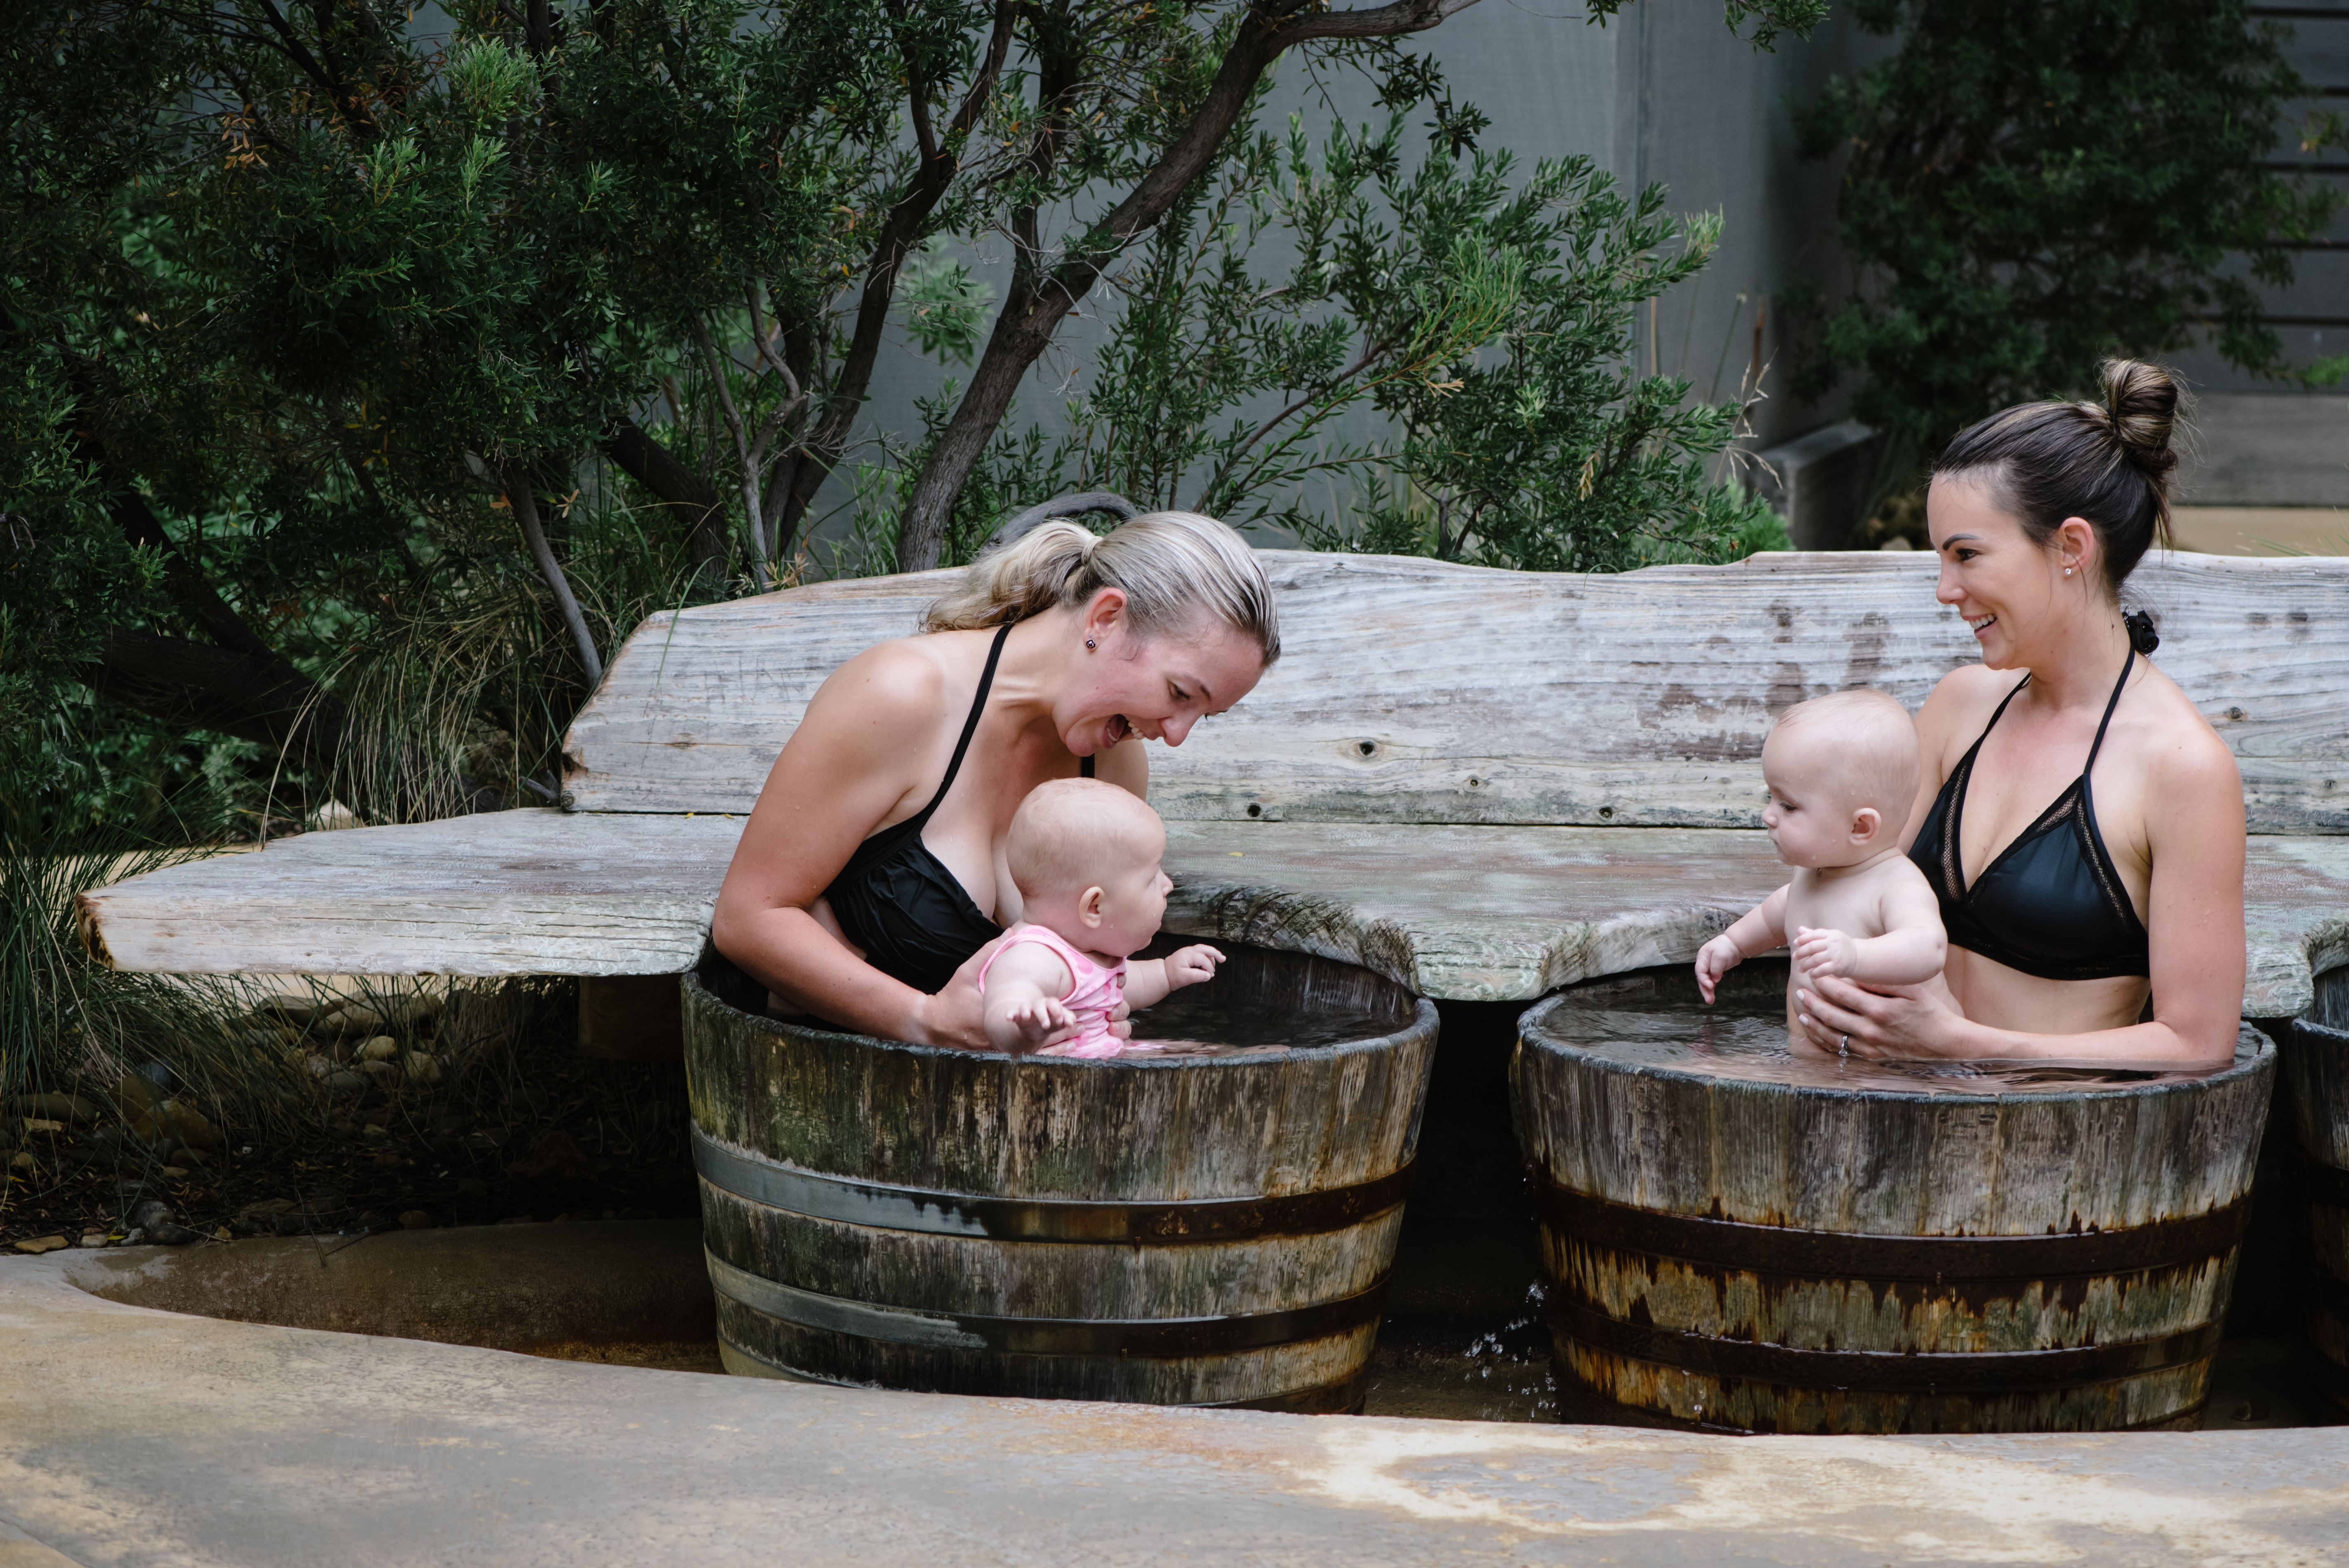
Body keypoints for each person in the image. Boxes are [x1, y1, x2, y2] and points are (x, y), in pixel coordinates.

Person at [1793, 360, 2246, 1065]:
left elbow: (2198, 1041)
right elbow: (1848, 874)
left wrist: (1961, 1043)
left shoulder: (2181, 768)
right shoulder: (1960, 707)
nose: (1946, 589)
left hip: (2053, 1146)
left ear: (2071, 547)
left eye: (1967, 555)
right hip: (1894, 1108)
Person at [710, 511, 1278, 1051]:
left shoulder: (1112, 764)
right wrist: (923, 1020)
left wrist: (1095, 1010)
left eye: (1204, 715)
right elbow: (749, 918)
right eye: (1180, 693)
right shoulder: (900, 694)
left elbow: (1093, 950)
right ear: (1105, 618)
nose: (1176, 734)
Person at [1694, 690, 1947, 1043]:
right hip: (1821, 1065)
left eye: (1789, 806)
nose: (1768, 815)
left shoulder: (1896, 885)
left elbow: (1928, 948)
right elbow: (1778, 913)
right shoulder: (1813, 875)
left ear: (1859, 827)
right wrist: (1734, 944)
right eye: (1771, 798)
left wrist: (1855, 955)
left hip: (1905, 1068)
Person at [978, 778, 1225, 1055]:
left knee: (1206, 1052)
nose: (1168, 885)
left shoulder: (1090, 951)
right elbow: (1002, 1009)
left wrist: (1168, 973)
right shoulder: (1035, 957)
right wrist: (1025, 1028)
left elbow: (1131, 983)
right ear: (1094, 908)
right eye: (1152, 878)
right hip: (1064, 1084)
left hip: (1106, 1061)